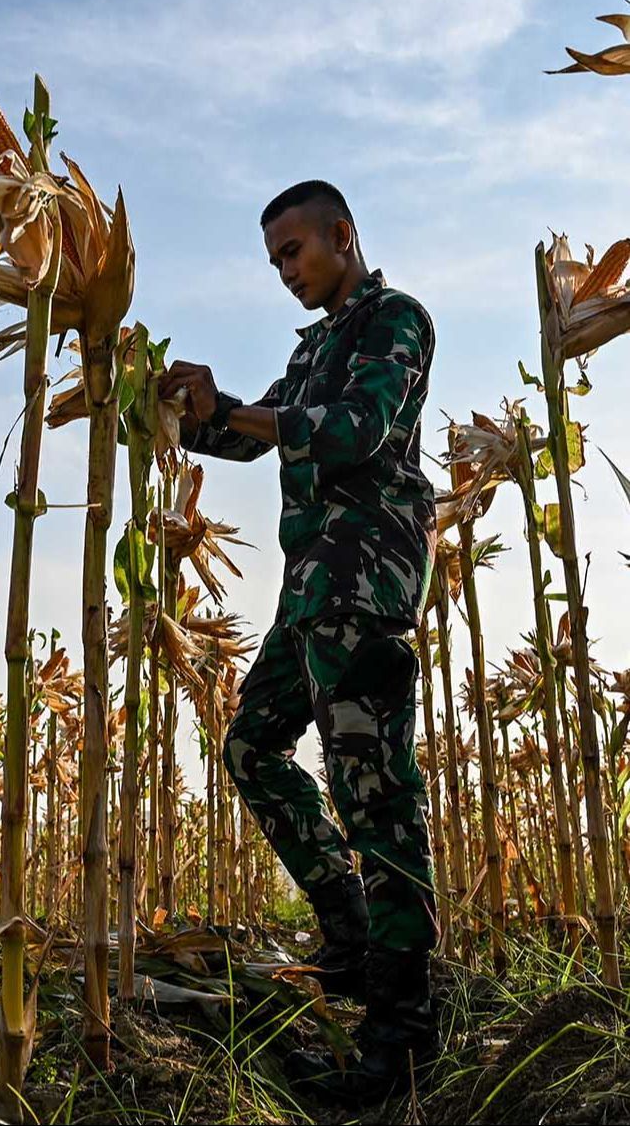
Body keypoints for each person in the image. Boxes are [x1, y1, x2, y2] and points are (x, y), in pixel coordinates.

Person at [158, 180, 439, 1100]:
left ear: (342, 236)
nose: (284, 273)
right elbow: (251, 437)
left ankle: (398, 1045)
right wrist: (191, 406)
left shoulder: (394, 322)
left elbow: (353, 433)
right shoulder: (317, 346)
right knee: (250, 747)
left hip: (363, 584)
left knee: (377, 800)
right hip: (310, 591)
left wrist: (237, 414)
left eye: (294, 252)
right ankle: (353, 940)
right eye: (273, 260)